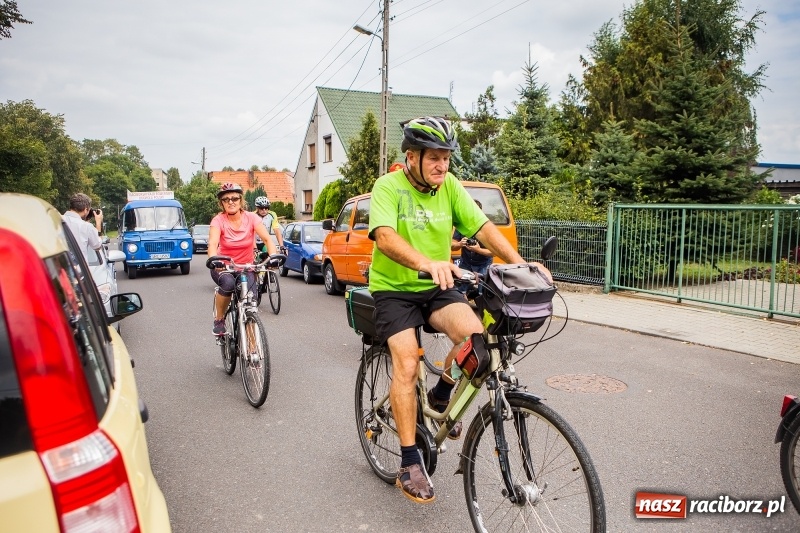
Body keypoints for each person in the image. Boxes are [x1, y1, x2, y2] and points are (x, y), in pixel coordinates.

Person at [368, 116, 552, 504]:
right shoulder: (388, 186)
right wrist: (425, 262)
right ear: (411, 157)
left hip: (439, 286)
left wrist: (521, 265)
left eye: (446, 158)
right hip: (394, 290)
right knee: (406, 364)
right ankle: (408, 461)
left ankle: (439, 394)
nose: (442, 166)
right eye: (434, 157)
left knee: (478, 341)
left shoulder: (449, 186)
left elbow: (483, 228)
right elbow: (384, 237)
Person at [208, 184, 278, 335]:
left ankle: (252, 347)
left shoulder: (251, 218)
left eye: (234, 198)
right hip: (224, 267)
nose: (230, 202)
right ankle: (219, 319)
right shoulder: (218, 220)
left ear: (241, 201)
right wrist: (214, 260)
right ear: (222, 203)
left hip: (246, 268)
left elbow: (267, 239)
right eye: (226, 199)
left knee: (250, 304)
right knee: (228, 283)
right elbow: (213, 243)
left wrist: (273, 257)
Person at [451, 199, 494, 294]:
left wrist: (478, 250)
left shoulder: (486, 228)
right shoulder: (462, 225)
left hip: (484, 264)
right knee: (460, 291)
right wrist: (459, 244)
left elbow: (493, 252)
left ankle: (482, 306)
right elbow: (452, 246)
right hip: (465, 262)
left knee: (483, 292)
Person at [62, 192, 104, 261]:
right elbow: (97, 246)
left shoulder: (56, 219)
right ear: (85, 210)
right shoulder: (86, 226)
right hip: (79, 270)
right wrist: (98, 222)